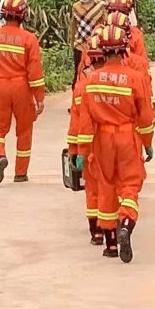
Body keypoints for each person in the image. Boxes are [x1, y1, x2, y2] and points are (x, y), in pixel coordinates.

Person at [76, 25, 155, 263]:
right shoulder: (136, 78)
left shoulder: (91, 80)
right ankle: (127, 224)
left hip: (102, 140)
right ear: (123, 51)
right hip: (127, 136)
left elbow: (86, 122)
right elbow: (145, 116)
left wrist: (83, 151)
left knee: (106, 186)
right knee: (130, 184)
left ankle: (110, 245)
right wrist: (147, 143)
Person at [0, 0, 46, 185]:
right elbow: (34, 72)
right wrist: (39, 97)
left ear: (2, 14)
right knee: (24, 129)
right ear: (23, 15)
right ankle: (21, 173)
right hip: (21, 87)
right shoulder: (29, 39)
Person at [67, 35, 106, 246]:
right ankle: (114, 229)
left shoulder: (83, 85)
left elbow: (78, 122)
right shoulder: (128, 79)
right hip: (117, 144)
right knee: (112, 187)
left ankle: (96, 233)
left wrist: (76, 151)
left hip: (90, 147)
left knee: (92, 189)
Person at [69, 0, 108, 89]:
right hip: (80, 46)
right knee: (79, 74)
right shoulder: (76, 7)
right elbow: (73, 26)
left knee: (97, 73)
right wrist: (72, 43)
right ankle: (76, 103)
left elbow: (106, 24)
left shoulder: (101, 6)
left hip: (97, 46)